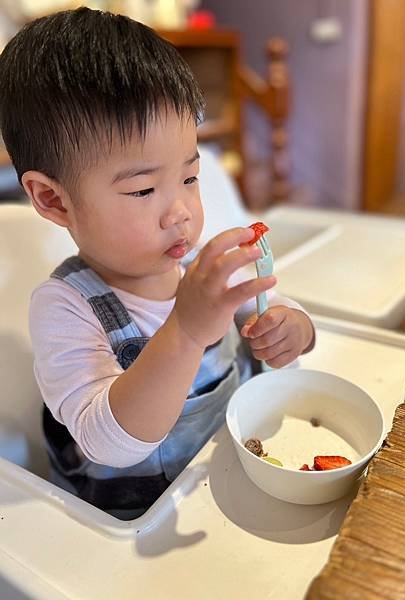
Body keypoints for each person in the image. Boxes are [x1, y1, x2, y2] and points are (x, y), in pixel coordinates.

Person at [0, 7, 315, 519]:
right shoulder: (65, 308)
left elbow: (269, 308)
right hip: (136, 522)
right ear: (54, 201)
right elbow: (109, 443)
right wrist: (187, 331)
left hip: (230, 474)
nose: (181, 211)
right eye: (144, 189)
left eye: (190, 177)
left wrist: (291, 328)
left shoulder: (195, 261)